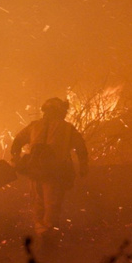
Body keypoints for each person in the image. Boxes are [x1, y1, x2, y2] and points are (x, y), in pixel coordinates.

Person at [11, 97, 89, 236]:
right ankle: (48, 236)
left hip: (34, 171)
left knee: (37, 203)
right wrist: (83, 166)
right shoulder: (67, 128)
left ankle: (39, 231)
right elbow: (80, 147)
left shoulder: (34, 126)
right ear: (61, 111)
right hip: (54, 173)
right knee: (52, 205)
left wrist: (15, 158)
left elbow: (17, 141)